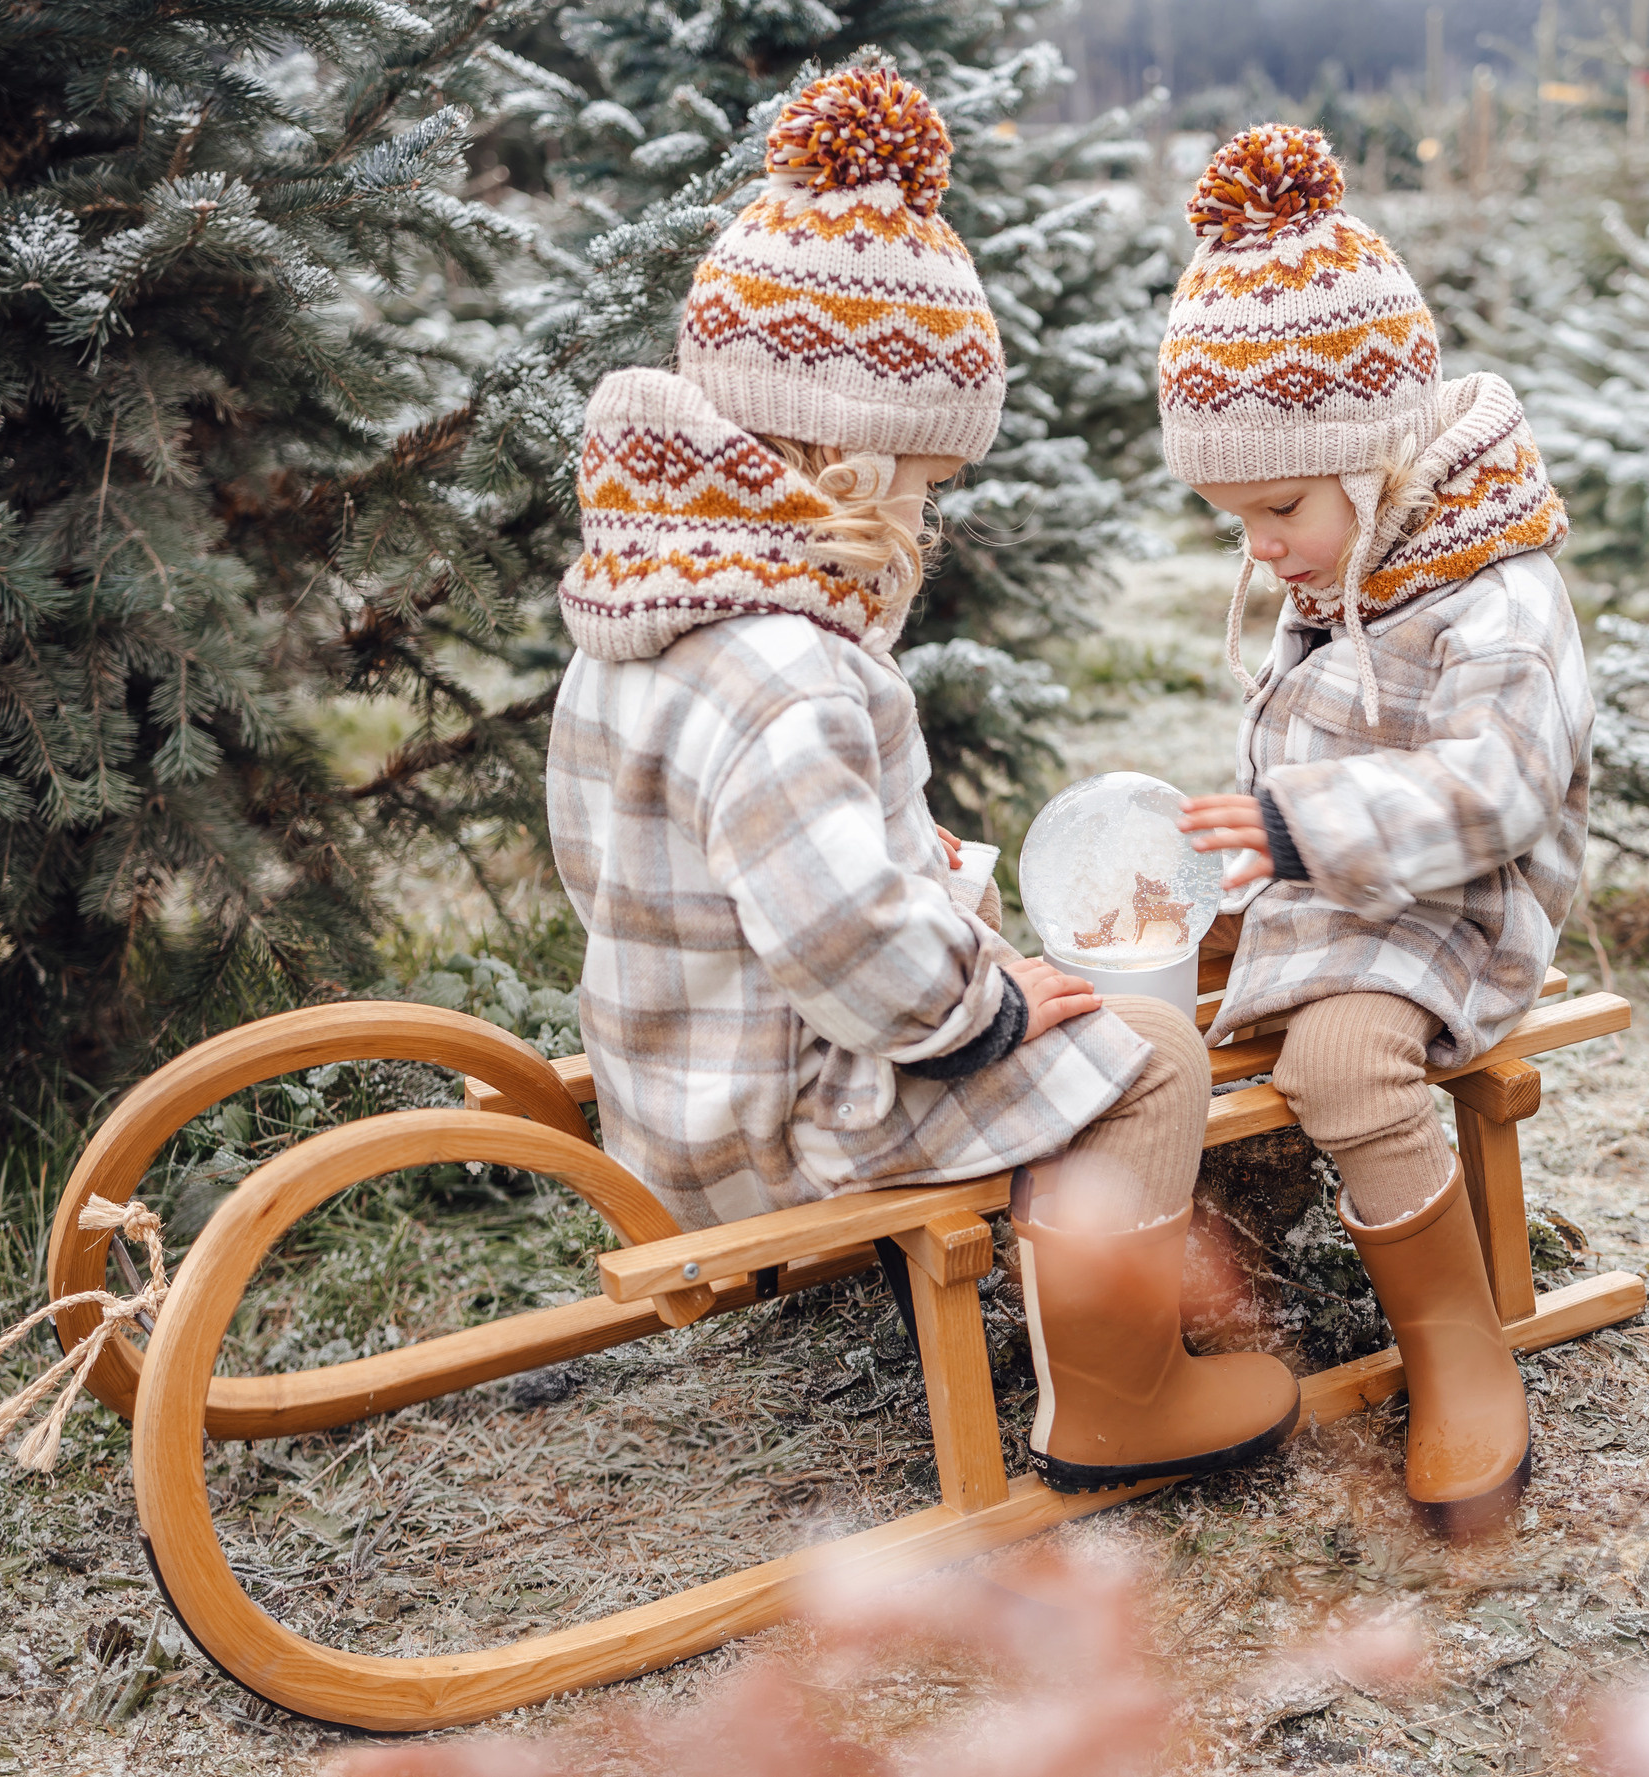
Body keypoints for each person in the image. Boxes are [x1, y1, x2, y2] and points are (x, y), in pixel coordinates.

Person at [546, 70, 1297, 1494]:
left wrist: (918, 879)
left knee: (1016, 994)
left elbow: (713, 858)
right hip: (791, 1121)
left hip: (674, 1081)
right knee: (1148, 1066)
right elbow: (845, 939)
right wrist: (980, 1000)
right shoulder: (792, 669)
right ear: (860, 455)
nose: (926, 521)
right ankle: (1119, 1395)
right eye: (928, 486)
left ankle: (1014, 1281)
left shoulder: (642, 609)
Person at [1166, 125, 1591, 1536]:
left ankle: (1457, 1353)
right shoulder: (1356, 544)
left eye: (1277, 508)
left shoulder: (1497, 595)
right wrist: (1251, 836)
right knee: (1178, 1001)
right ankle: (1230, 1240)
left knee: (1346, 1055)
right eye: (1235, 520)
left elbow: (1499, 790)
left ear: (1379, 454)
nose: (1261, 549)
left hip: (1462, 896)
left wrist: (1301, 821)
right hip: (1337, 878)